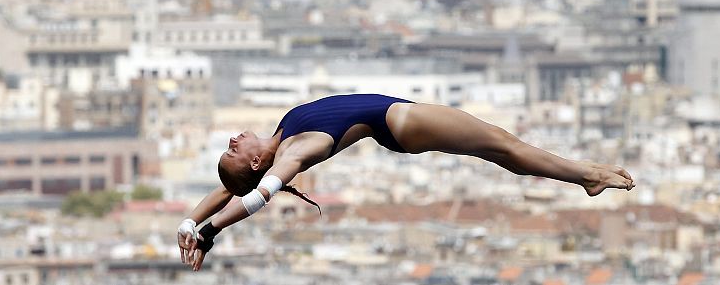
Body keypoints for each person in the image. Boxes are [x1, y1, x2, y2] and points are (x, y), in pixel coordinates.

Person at [177, 93, 634, 271]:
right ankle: (588, 175)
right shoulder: (294, 152)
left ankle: (584, 177)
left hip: (398, 123)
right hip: (401, 121)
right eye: (234, 149)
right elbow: (256, 195)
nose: (233, 138)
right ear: (257, 162)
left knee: (503, 153)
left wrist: (192, 224)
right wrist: (215, 229)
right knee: (502, 142)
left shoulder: (280, 137)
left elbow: (228, 190)